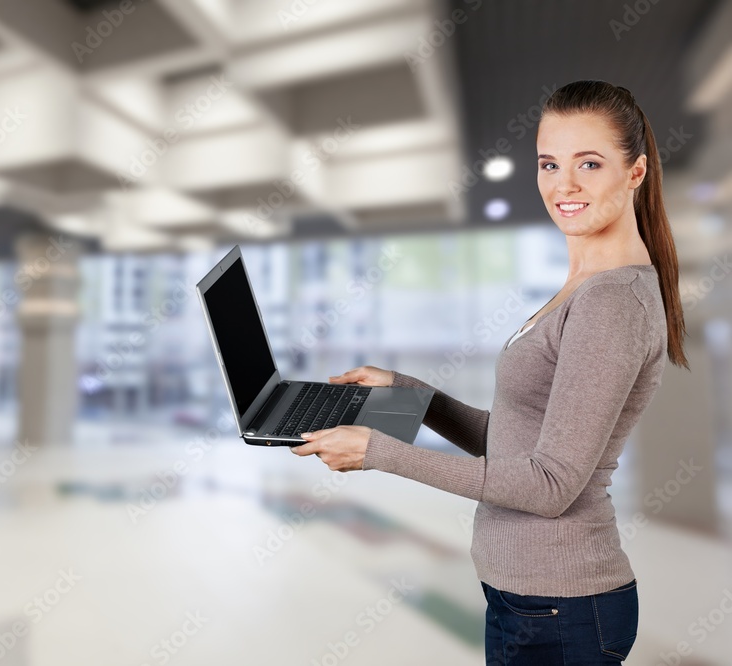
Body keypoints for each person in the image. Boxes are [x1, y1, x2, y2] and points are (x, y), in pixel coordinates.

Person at [290, 80, 688, 664]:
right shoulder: (584, 286)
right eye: (549, 163)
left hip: (561, 609)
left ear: (636, 172)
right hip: (534, 599)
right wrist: (414, 396)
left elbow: (549, 484)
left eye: (590, 163)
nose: (564, 185)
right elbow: (516, 444)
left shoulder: (609, 303)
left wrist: (380, 451)